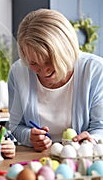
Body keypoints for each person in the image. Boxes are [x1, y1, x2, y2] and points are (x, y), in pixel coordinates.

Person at [8, 8, 103, 152]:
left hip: (82, 161)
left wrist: (92, 140)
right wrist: (30, 137)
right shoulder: (18, 72)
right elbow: (15, 126)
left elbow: (100, 128)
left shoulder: (95, 70)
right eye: (33, 63)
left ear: (66, 50)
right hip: (37, 159)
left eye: (49, 61)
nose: (44, 71)